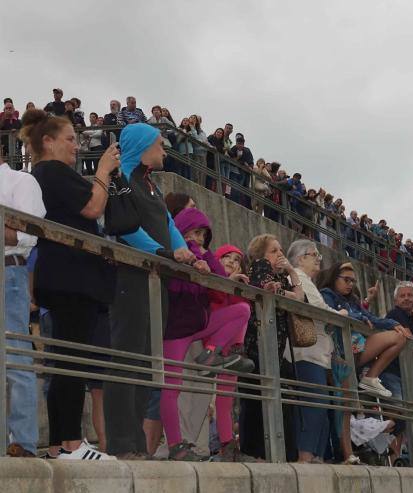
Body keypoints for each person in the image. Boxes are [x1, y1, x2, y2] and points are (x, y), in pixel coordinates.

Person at [21, 108, 119, 460]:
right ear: (47, 142)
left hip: (64, 276)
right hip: (71, 277)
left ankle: (59, 445)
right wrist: (104, 171)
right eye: (69, 139)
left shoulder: (45, 174)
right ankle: (72, 443)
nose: (76, 147)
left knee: (65, 359)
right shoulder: (53, 172)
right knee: (72, 360)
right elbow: (93, 207)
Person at [104, 123, 200, 459]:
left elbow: (169, 226)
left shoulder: (150, 184)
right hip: (130, 278)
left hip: (155, 278)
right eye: (159, 144)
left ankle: (136, 444)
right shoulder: (122, 181)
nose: (164, 149)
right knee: (127, 357)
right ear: (143, 147)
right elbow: (129, 232)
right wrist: (166, 254)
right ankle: (120, 442)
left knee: (146, 361)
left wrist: (190, 255)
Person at [160, 207, 254, 461]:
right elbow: (175, 285)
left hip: (201, 325)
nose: (199, 240)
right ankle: (175, 445)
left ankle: (210, 353)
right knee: (172, 388)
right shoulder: (172, 252)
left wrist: (204, 255)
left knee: (242, 310)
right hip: (177, 330)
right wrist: (189, 256)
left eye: (204, 235)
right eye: (195, 233)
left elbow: (220, 282)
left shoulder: (204, 255)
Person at [238, 233, 305, 461]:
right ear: (262, 254)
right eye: (274, 250)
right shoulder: (259, 265)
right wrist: (286, 289)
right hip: (257, 346)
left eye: (281, 250)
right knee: (255, 401)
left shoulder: (283, 276)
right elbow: (271, 291)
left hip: (274, 348)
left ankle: (275, 453)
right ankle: (255, 452)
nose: (280, 255)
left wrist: (292, 272)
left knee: (271, 400)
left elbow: (301, 298)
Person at [0, 149, 46, 458]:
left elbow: (29, 235)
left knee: (16, 356)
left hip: (7, 273)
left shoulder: (21, 181)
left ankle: (24, 442)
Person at [286, 239, 348, 463]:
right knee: (315, 404)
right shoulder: (298, 276)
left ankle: (315, 455)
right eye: (314, 255)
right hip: (307, 352)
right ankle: (306, 456)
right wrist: (340, 315)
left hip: (317, 352)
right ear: (301, 258)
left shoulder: (306, 279)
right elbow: (317, 309)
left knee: (321, 406)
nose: (318, 260)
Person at [319, 262, 409, 398]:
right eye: (346, 280)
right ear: (334, 278)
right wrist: (358, 316)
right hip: (338, 351)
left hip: (355, 349)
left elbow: (372, 318)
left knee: (400, 337)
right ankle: (368, 378)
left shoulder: (353, 300)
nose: (350, 284)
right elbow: (331, 313)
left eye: (353, 281)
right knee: (345, 402)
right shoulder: (326, 294)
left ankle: (370, 377)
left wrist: (392, 323)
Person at [227, 133, 254, 208]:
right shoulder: (233, 149)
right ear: (236, 143)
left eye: (241, 144)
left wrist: (249, 166)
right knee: (235, 188)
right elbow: (231, 158)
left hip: (245, 173)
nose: (240, 145)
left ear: (243, 144)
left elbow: (250, 161)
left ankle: (245, 205)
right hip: (235, 171)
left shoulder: (247, 150)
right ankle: (234, 203)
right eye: (238, 144)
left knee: (244, 190)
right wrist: (242, 163)